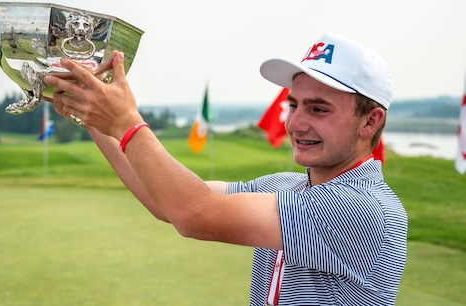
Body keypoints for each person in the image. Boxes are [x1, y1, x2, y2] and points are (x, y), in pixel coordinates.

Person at [43, 32, 408, 305]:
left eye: (319, 109)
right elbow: (166, 203)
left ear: (370, 121)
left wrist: (126, 123)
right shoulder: (288, 186)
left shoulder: (364, 207)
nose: (295, 123)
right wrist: (92, 115)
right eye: (294, 105)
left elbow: (194, 213)